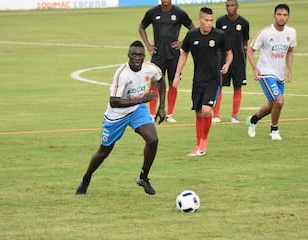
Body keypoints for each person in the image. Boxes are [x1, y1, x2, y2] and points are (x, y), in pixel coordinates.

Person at [75, 40, 166, 195]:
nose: (137, 58)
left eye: (140, 55)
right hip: (116, 115)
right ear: (128, 55)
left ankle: (143, 177)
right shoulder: (122, 74)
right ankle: (86, 179)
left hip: (137, 110)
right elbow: (114, 101)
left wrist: (162, 107)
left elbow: (161, 81)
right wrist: (141, 100)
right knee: (104, 152)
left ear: (144, 56)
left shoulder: (150, 69)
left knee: (153, 139)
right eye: (134, 55)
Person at [173, 7, 233, 156]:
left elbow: (229, 52)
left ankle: (204, 141)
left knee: (207, 111)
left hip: (214, 79)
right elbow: (184, 54)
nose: (209, 23)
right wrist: (177, 74)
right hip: (197, 80)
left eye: (211, 21)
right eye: (206, 20)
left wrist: (227, 64)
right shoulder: (191, 35)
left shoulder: (219, 35)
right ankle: (198, 144)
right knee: (199, 113)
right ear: (200, 20)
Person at [139, 0, 195, 123]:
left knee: (172, 83)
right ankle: (152, 114)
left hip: (173, 54)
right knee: (154, 83)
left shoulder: (179, 13)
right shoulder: (153, 12)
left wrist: (182, 42)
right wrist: (148, 45)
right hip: (157, 54)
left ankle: (169, 114)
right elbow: (142, 27)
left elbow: (192, 28)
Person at [246, 3, 296, 140]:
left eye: (284, 15)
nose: (281, 18)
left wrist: (289, 69)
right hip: (265, 72)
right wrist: (255, 68)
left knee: (274, 104)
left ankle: (253, 120)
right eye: (279, 14)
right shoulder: (266, 32)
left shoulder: (291, 32)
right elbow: (250, 50)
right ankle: (274, 130)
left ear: (288, 17)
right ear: (274, 16)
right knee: (279, 101)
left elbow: (290, 51)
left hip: (279, 74)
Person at [213, 0, 249, 123]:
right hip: (222, 59)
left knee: (237, 86)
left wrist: (244, 55)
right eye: (228, 5)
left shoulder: (244, 23)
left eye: (232, 5)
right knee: (219, 86)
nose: (230, 8)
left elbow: (245, 42)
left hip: (239, 60)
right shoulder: (220, 21)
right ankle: (216, 115)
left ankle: (234, 116)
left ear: (237, 6)